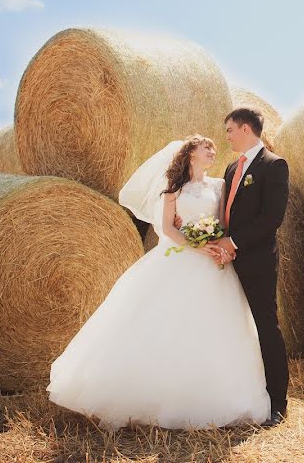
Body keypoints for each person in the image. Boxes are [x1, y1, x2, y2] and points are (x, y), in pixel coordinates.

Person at [46, 134, 271, 431]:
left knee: (215, 326)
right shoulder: (173, 190)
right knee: (166, 322)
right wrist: (196, 245)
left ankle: (213, 394)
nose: (212, 151)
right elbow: (167, 228)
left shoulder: (219, 186)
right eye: (207, 148)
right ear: (191, 154)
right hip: (181, 257)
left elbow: (224, 222)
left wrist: (217, 246)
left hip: (214, 264)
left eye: (213, 148)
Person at [212, 107, 291, 427]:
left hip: (256, 262)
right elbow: (228, 212)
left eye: (229, 129)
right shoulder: (232, 168)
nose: (227, 135)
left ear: (245, 129)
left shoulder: (274, 165)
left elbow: (272, 219)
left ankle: (278, 403)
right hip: (228, 262)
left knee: (265, 328)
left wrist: (234, 244)